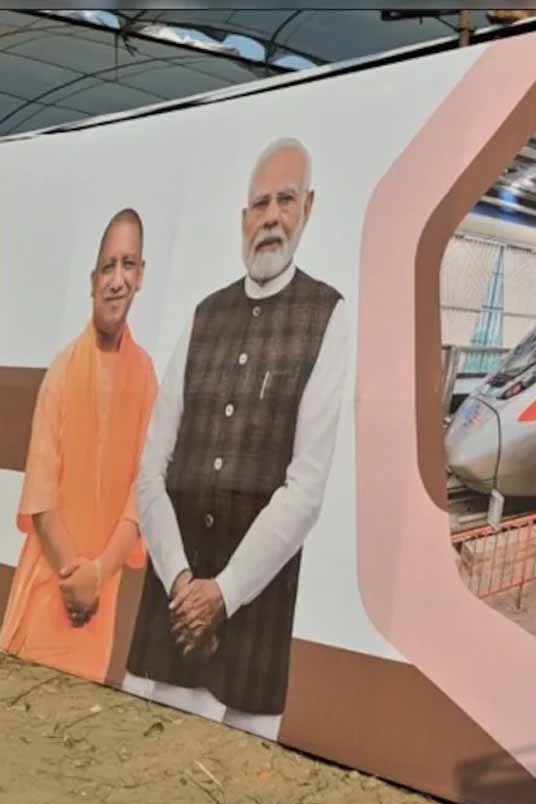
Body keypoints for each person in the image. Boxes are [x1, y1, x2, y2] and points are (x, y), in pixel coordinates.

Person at [123, 137, 348, 742]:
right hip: (170, 615)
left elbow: (305, 491)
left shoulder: (327, 315)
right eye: (259, 204)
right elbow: (152, 471)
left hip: (256, 626)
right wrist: (181, 585)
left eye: (286, 201)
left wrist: (222, 594)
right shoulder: (203, 316)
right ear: (243, 217)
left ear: (308, 208)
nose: (271, 217)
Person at [0, 209, 159, 684]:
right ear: (93, 281)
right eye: (108, 267)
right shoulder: (63, 370)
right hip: (49, 588)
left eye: (127, 265)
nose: (117, 279)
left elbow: (141, 493)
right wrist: (74, 577)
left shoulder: (146, 377)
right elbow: (41, 498)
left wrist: (98, 576)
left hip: (100, 601)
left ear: (141, 275)